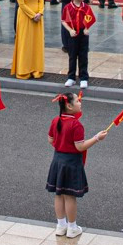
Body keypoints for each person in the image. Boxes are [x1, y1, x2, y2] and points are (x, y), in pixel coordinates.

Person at [46, 89, 110, 237]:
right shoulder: (76, 125)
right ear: (69, 106)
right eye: (77, 100)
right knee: (70, 196)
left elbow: (50, 139)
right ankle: (72, 228)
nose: (80, 102)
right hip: (71, 163)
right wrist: (97, 138)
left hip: (57, 160)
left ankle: (60, 226)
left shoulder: (55, 120)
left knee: (59, 194)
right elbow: (80, 147)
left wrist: (61, 147)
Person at [12, 0, 48, 80]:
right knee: (25, 43)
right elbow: (21, 4)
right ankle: (24, 70)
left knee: (37, 43)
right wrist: (33, 15)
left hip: (38, 16)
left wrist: (40, 12)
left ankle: (36, 69)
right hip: (25, 17)